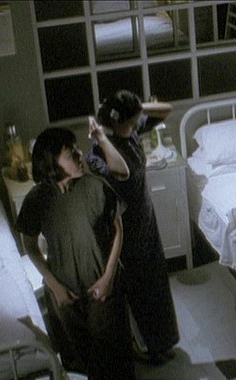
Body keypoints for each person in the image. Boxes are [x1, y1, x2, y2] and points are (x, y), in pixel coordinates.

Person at [17, 127, 135, 380]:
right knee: (79, 349)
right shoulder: (38, 200)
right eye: (71, 153)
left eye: (77, 149)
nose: (80, 155)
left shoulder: (96, 187)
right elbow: (29, 244)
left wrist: (109, 277)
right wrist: (53, 284)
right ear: (51, 162)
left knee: (107, 347)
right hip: (65, 287)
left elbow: (118, 229)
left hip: (101, 283)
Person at [86, 90, 180, 364]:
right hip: (123, 227)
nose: (140, 120)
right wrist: (102, 137)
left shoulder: (133, 131)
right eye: (134, 117)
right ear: (122, 122)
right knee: (136, 288)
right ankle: (142, 346)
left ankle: (161, 342)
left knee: (156, 284)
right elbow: (122, 172)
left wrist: (138, 107)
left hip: (145, 220)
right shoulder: (99, 152)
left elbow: (167, 108)